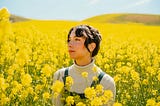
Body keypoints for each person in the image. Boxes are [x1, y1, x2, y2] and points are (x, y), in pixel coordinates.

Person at [53, 24, 116, 106]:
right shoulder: (60, 75)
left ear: (91, 47)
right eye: (69, 40)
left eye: (77, 39)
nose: (70, 44)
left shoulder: (106, 82)